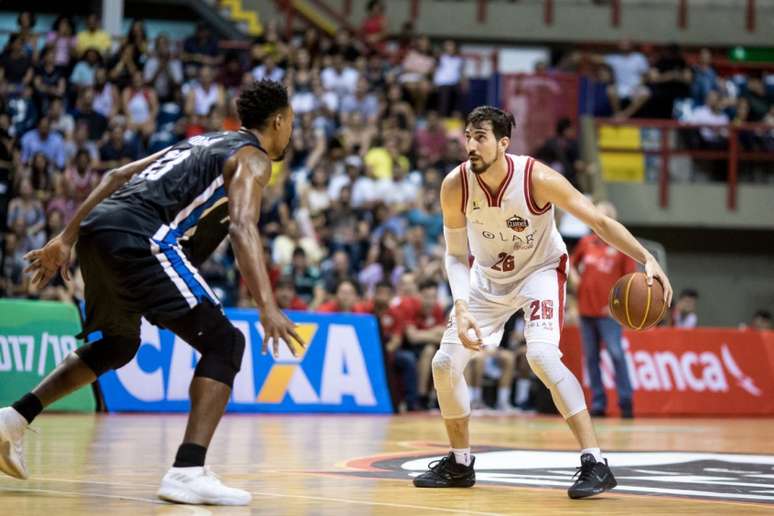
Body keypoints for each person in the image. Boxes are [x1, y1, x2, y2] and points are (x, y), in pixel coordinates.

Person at [0, 79, 304, 506]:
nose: (292, 132)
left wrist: (65, 239)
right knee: (226, 342)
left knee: (119, 344)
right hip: (143, 234)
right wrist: (267, 306)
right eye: (292, 123)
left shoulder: (201, 142)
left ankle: (13, 418)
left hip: (99, 229)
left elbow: (118, 175)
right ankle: (187, 470)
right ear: (278, 121)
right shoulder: (252, 158)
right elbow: (242, 226)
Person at [412, 106, 672, 498]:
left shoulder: (536, 178)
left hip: (540, 272)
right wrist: (461, 304)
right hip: (486, 280)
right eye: (467, 136)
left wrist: (645, 257)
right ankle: (460, 463)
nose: (470, 145)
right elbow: (453, 255)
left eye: (480, 137)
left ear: (503, 143)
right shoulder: (455, 185)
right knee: (444, 364)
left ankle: (595, 462)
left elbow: (598, 222)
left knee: (542, 356)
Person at [569, 201, 637, 418]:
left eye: (602, 214)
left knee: (617, 354)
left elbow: (629, 279)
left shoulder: (621, 245)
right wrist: (575, 277)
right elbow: (570, 262)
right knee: (591, 358)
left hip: (608, 313)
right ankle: (598, 404)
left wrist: (616, 305)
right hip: (585, 310)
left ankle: (626, 402)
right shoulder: (586, 242)